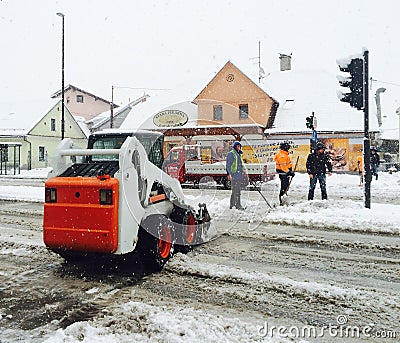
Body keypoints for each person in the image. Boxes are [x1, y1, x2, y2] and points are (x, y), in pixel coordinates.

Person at [226, 141, 245, 210]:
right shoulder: (232, 154)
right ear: (234, 147)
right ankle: (237, 205)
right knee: (235, 191)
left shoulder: (239, 154)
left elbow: (240, 164)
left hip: (239, 175)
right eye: (237, 146)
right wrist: (229, 174)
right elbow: (228, 165)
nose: (238, 148)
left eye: (239, 146)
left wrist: (243, 170)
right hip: (234, 175)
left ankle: (234, 204)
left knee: (237, 191)